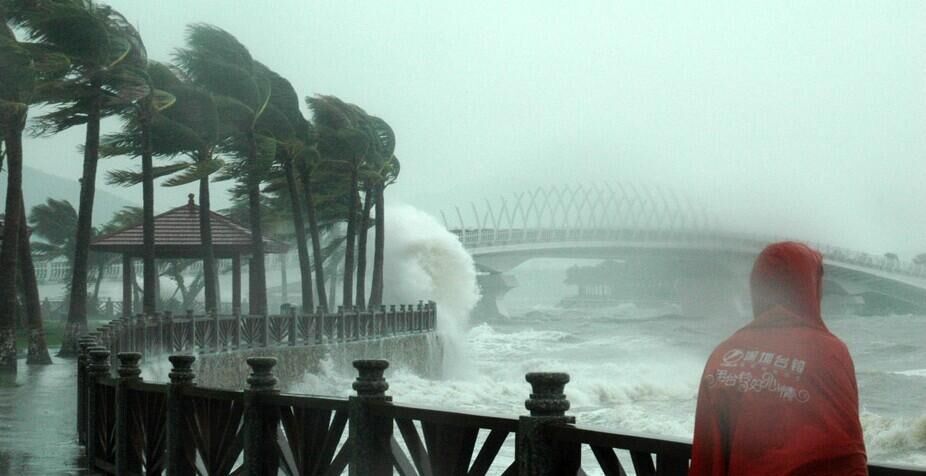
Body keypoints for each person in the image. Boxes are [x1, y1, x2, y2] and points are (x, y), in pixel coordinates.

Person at [689, 242, 867, 475]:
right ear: (808, 287)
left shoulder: (723, 355)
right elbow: (846, 456)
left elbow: (706, 456)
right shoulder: (830, 354)